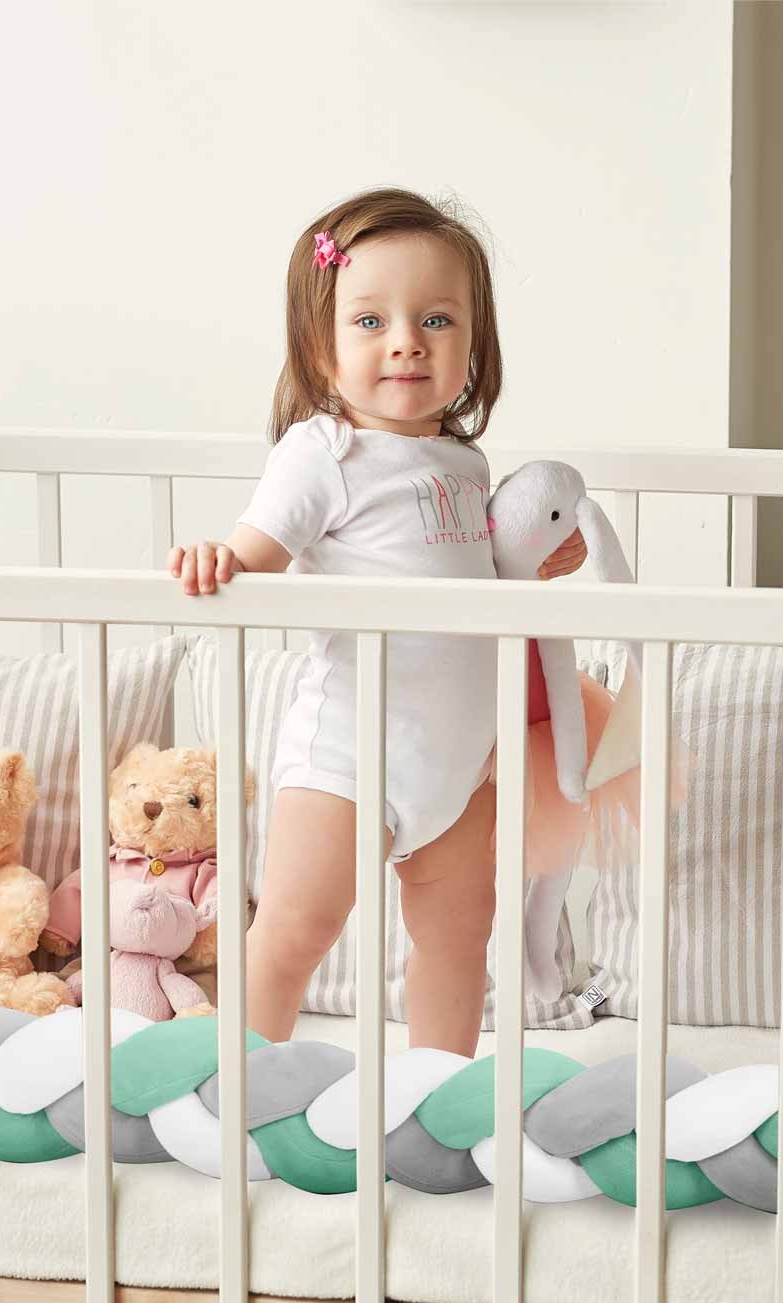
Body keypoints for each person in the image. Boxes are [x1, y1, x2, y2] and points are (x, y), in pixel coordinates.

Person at [169, 188, 583, 1055]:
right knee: (295, 930)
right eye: (369, 321)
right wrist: (220, 559)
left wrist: (545, 562)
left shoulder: (465, 464)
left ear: (474, 343)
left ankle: (438, 1091)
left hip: (461, 766)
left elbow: (482, 582)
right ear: (321, 347)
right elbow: (256, 552)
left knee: (459, 938)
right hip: (348, 756)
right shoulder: (325, 451)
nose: (406, 341)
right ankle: (235, 1084)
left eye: (437, 320)